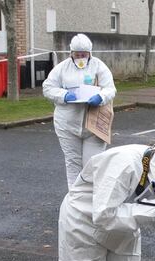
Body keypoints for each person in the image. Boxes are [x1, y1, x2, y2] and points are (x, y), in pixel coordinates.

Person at [43, 34, 117, 189]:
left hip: (94, 124)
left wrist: (100, 97)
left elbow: (110, 89)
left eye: (84, 55)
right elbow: (48, 88)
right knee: (73, 163)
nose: (81, 58)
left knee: (93, 164)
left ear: (90, 53)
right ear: (71, 53)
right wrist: (64, 95)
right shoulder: (62, 68)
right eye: (77, 55)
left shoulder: (99, 66)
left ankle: (92, 200)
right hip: (67, 123)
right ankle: (75, 201)